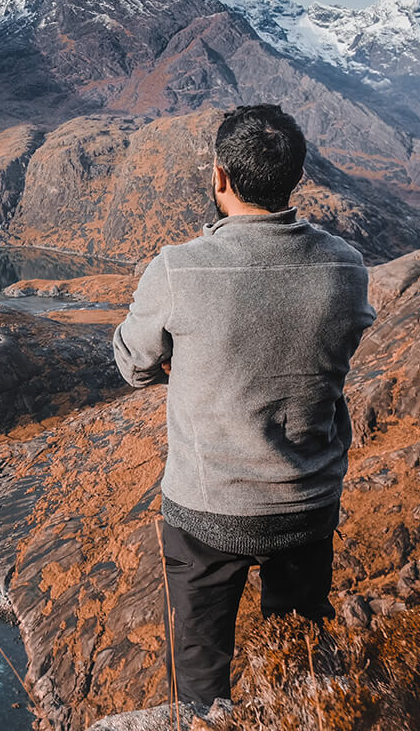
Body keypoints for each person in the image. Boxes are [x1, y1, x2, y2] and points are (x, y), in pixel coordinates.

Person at [112, 103, 376, 707]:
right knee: (302, 650)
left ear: (220, 176)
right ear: (297, 178)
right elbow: (338, 345)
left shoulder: (178, 269)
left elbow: (133, 365)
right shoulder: (346, 266)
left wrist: (186, 360)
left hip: (208, 508)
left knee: (201, 662)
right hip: (307, 500)